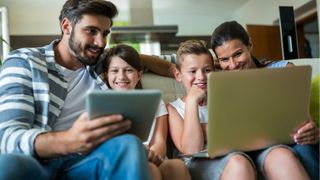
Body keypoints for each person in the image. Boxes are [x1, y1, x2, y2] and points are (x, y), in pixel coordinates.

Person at [0, 0, 151, 179]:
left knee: (129, 144)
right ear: (66, 26)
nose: (100, 42)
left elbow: (142, 59)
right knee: (8, 165)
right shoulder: (25, 62)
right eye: (91, 31)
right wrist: (70, 141)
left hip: (87, 161)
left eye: (105, 33)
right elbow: (7, 138)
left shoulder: (102, 63)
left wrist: (174, 67)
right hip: (39, 163)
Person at [166, 39, 310, 180]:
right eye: (192, 71)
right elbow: (192, 149)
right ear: (178, 75)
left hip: (241, 153)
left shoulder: (227, 98)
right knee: (238, 162)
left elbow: (249, 130)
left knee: (281, 156)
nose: (201, 77)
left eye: (207, 70)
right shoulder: (174, 109)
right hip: (200, 162)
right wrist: (192, 101)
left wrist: (207, 130)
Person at [211, 21, 319, 180]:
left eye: (238, 54)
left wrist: (313, 133)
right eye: (224, 59)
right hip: (241, 152)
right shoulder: (218, 82)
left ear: (250, 45)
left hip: (288, 143)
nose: (233, 65)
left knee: (303, 149)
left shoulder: (283, 70)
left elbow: (304, 121)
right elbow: (184, 64)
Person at [103, 44, 191, 180]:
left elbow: (160, 143)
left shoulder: (154, 101)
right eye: (114, 71)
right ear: (106, 75)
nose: (121, 76)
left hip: (152, 157)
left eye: (128, 70)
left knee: (177, 166)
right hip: (121, 161)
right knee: (149, 169)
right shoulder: (101, 103)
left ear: (139, 75)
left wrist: (153, 154)